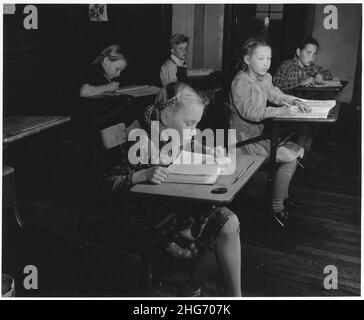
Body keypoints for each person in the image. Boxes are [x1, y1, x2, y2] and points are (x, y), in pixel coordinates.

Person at [102, 82, 242, 297]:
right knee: (223, 226)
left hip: (177, 208)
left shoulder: (170, 134)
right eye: (189, 123)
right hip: (151, 221)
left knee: (229, 222)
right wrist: (142, 174)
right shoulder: (141, 143)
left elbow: (187, 145)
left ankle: (226, 295)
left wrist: (208, 150)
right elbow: (106, 183)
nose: (194, 130)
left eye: (197, 124)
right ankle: (192, 287)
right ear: (166, 117)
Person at [229, 37, 311, 227]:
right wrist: (279, 110)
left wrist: (294, 101)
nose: (266, 63)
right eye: (261, 58)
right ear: (247, 60)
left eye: (269, 58)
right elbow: (251, 112)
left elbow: (276, 94)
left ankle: (282, 196)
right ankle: (276, 207)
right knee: (290, 157)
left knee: (297, 149)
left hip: (257, 137)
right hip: (243, 141)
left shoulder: (264, 78)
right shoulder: (241, 82)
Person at [273, 37, 333, 166]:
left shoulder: (310, 67)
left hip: (301, 105)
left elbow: (328, 74)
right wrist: (299, 83)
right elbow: (276, 88)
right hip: (284, 107)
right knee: (308, 120)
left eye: (314, 54)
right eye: (308, 52)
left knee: (319, 117)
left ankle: (307, 148)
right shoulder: (287, 66)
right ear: (299, 52)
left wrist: (318, 75)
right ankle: (300, 153)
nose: (311, 57)